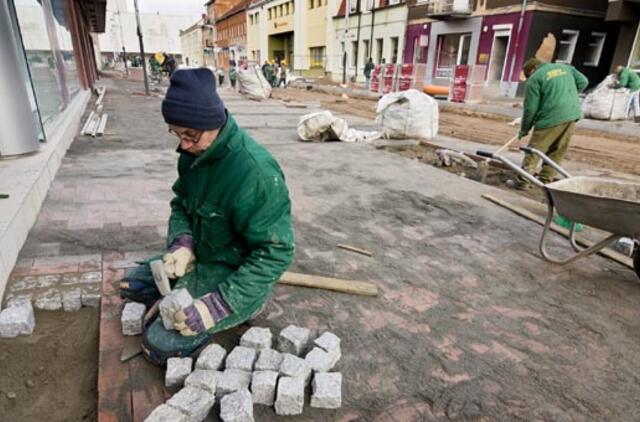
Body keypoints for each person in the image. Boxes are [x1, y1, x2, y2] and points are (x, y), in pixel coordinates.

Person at [120, 68, 295, 365]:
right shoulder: (193, 156)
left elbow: (275, 253)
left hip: (232, 268)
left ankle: (249, 305)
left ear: (214, 123)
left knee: (158, 346)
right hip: (201, 253)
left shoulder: (257, 175)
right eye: (177, 134)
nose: (183, 144)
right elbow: (181, 204)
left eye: (191, 135)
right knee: (132, 284)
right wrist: (182, 243)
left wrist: (218, 305)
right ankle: (185, 284)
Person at [512, 58, 588, 189]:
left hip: (551, 116)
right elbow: (583, 82)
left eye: (528, 75)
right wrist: (566, 95)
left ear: (532, 69)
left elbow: (530, 108)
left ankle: (522, 182)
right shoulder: (565, 68)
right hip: (571, 114)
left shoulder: (535, 79)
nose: (529, 77)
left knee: (534, 150)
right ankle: (546, 181)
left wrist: (524, 129)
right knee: (557, 150)